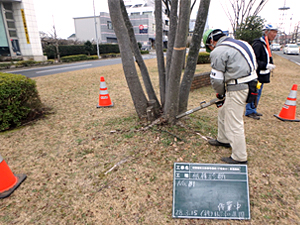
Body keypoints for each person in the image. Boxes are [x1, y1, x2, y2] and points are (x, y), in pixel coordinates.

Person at [202, 29, 258, 164]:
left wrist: (220, 93)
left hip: (237, 87)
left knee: (234, 122)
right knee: (223, 112)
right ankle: (223, 139)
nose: (210, 49)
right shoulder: (242, 44)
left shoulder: (219, 51)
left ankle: (239, 157)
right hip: (250, 83)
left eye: (209, 46)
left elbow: (216, 79)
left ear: (211, 41)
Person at [245, 24, 278, 120]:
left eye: (276, 32)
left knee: (258, 92)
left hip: (263, 73)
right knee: (254, 92)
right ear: (266, 32)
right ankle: (250, 111)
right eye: (273, 32)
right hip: (257, 74)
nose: (275, 34)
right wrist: (265, 65)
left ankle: (253, 109)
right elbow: (253, 60)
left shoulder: (266, 44)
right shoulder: (259, 44)